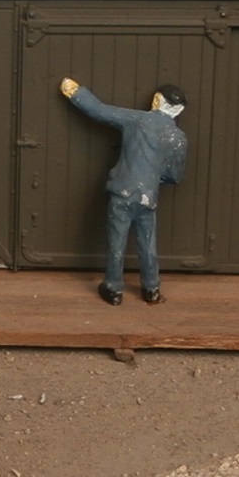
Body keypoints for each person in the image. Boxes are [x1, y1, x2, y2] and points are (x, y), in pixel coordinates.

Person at [61, 78, 187, 306]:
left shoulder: (137, 120)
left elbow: (100, 111)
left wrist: (75, 92)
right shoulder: (178, 138)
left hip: (123, 192)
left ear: (157, 100)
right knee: (148, 244)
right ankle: (151, 288)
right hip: (148, 196)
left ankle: (113, 288)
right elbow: (174, 175)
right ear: (178, 110)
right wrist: (151, 182)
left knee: (116, 243)